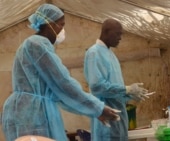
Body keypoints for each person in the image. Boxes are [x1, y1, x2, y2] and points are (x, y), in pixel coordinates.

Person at [1, 4, 120, 141]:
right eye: (61, 25)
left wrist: (93, 111)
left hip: (30, 111)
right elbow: (63, 82)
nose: (62, 31)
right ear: (49, 24)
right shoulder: (37, 45)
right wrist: (97, 108)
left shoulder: (36, 45)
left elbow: (59, 94)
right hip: (30, 115)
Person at [83, 18, 153, 141]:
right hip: (105, 121)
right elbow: (97, 87)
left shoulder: (111, 54)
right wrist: (126, 89)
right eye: (117, 34)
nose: (120, 38)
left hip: (118, 119)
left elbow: (114, 88)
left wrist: (129, 95)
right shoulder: (94, 53)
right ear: (106, 31)